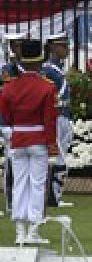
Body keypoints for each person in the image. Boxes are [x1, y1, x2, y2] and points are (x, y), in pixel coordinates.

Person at [0, 39, 58, 245]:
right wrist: (53, 147)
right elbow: (50, 120)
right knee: (37, 185)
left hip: (18, 138)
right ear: (40, 62)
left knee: (19, 184)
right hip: (39, 139)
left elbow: (6, 116)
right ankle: (34, 230)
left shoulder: (9, 87)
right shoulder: (47, 87)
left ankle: (19, 231)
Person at [41, 35, 72, 208]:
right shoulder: (48, 70)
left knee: (61, 155)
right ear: (52, 48)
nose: (66, 49)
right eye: (62, 46)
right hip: (57, 117)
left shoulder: (57, 69)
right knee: (57, 157)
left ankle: (55, 195)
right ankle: (52, 196)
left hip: (63, 116)